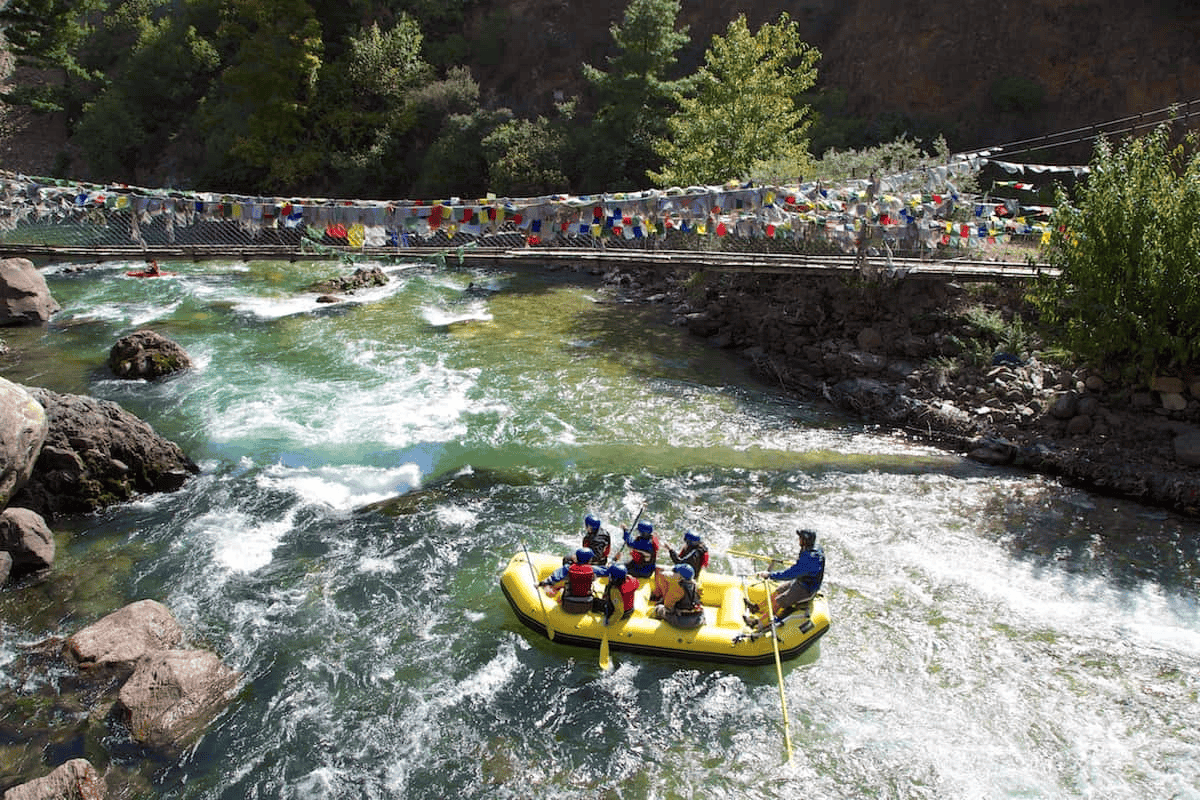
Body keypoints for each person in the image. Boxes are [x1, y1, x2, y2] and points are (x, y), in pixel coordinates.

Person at [744, 528, 825, 629]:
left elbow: (789, 574)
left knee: (780, 600)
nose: (798, 540)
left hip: (806, 589)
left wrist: (770, 575)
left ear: (805, 541)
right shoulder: (811, 548)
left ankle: (758, 622)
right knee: (779, 590)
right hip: (801, 581)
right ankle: (757, 608)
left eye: (800, 538)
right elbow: (800, 568)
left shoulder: (810, 559)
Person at [539, 548, 605, 614]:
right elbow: (606, 571)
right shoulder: (593, 570)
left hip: (568, 606)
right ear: (590, 560)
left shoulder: (568, 569)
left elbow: (553, 579)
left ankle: (559, 601)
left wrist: (540, 584)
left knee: (562, 589)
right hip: (587, 606)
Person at [650, 563, 704, 629]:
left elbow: (668, 606)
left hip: (681, 621)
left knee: (658, 609)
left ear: (680, 577)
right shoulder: (697, 586)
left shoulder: (677, 589)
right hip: (698, 618)